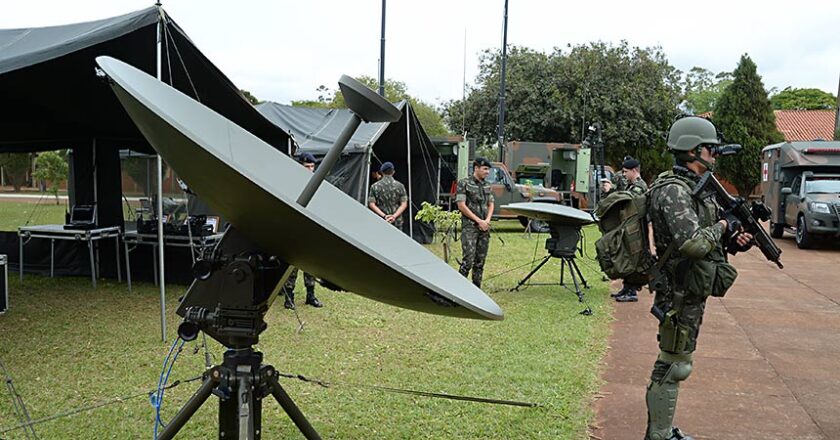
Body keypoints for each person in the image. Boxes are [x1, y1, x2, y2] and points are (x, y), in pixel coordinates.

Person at [643, 116, 752, 440]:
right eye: (711, 149)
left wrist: (733, 238)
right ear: (692, 150)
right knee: (675, 364)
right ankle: (659, 435)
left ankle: (659, 431)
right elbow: (691, 243)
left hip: (690, 287)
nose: (714, 156)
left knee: (674, 363)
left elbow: (708, 238)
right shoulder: (674, 191)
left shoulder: (695, 189)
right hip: (678, 290)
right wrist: (723, 226)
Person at [283, 152, 323, 309]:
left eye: (312, 167)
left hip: (310, 231)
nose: (310, 170)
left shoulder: (317, 184)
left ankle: (311, 296)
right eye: (307, 167)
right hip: (294, 230)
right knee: (292, 265)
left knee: (311, 265)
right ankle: (289, 297)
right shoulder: (291, 184)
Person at [609, 156, 648, 303]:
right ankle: (627, 287)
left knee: (634, 260)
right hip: (630, 228)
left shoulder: (639, 186)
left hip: (636, 230)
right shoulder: (632, 185)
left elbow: (628, 202)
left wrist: (612, 191)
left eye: (626, 172)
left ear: (634, 170)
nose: (624, 175)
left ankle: (632, 291)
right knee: (627, 257)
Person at [456, 157, 494, 288]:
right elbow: (461, 205)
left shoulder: (487, 185)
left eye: (488, 169)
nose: (487, 172)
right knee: (468, 260)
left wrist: (487, 221)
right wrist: (478, 221)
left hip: (484, 228)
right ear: (476, 168)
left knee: (480, 261)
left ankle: (476, 289)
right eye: (485, 169)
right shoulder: (464, 183)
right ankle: (458, 289)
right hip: (470, 227)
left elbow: (491, 203)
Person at [368, 162, 408, 229]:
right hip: (396, 221)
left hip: (380, 220)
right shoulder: (400, 186)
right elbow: (404, 204)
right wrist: (394, 216)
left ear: (382, 172)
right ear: (393, 172)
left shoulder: (374, 187)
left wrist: (384, 216)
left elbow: (371, 204)